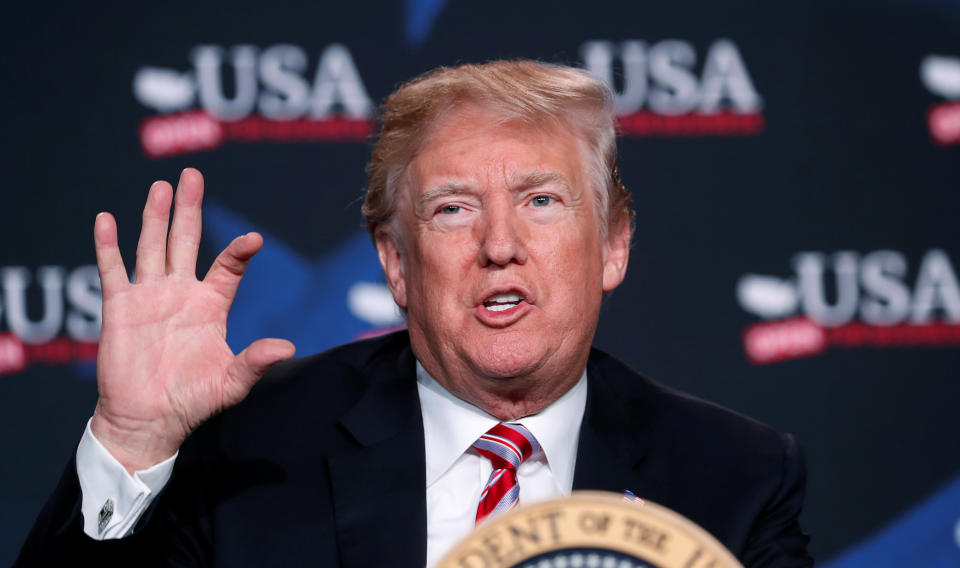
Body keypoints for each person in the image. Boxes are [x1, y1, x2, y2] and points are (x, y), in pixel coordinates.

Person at [18, 60, 812, 567]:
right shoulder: (254, 449)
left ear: (612, 245)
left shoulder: (732, 476)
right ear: (396, 262)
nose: (500, 245)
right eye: (454, 209)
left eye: (540, 201)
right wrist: (133, 443)